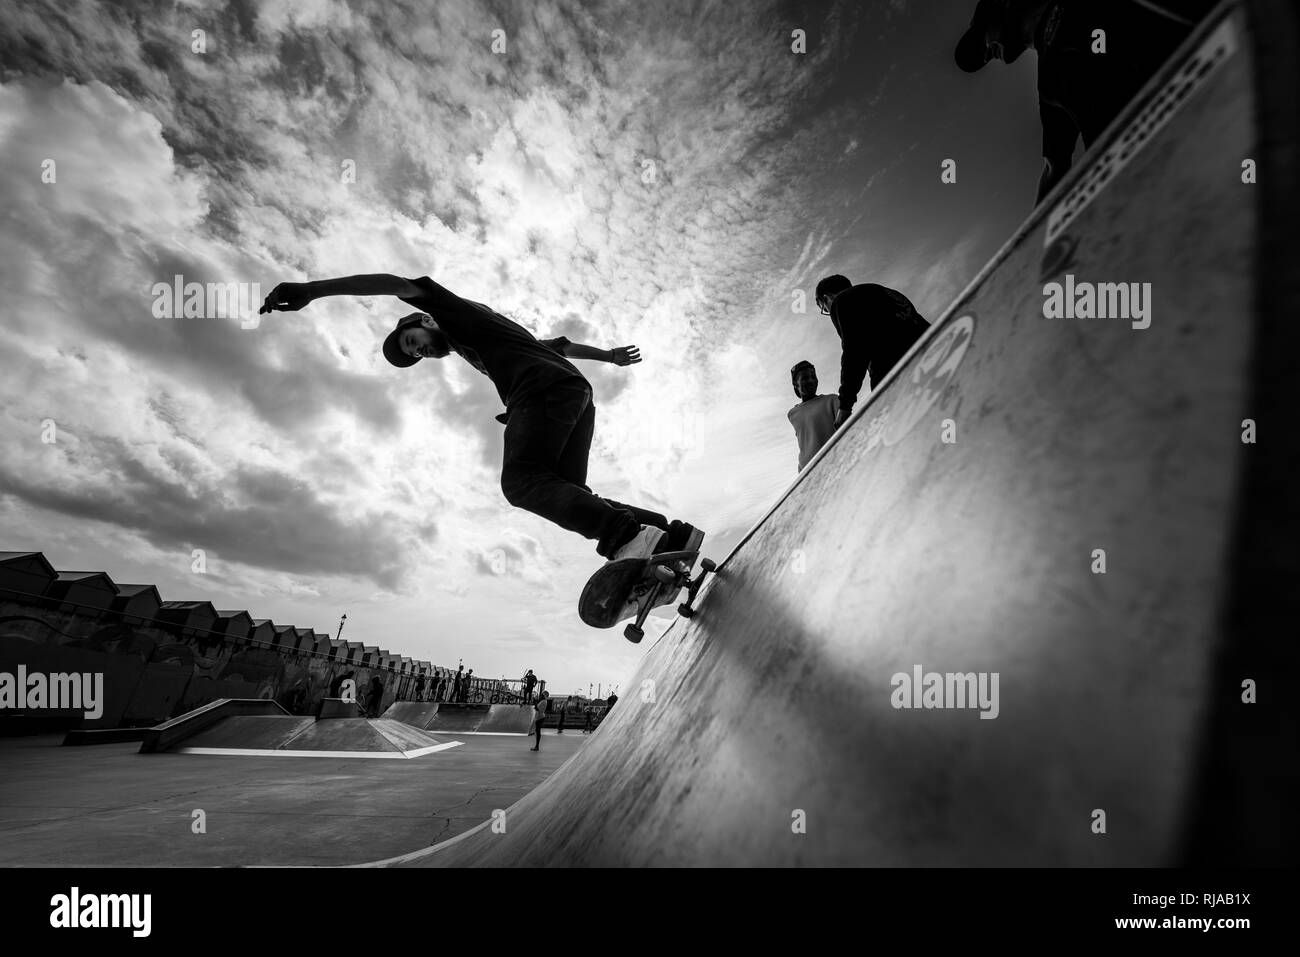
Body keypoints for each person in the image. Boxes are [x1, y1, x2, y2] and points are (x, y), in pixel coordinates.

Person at [259, 273, 703, 565]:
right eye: (415, 353)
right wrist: (606, 356)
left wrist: (312, 291)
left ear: (423, 319)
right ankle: (670, 537)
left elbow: (397, 281)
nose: (421, 350)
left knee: (522, 483)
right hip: (572, 393)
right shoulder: (486, 337)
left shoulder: (454, 315)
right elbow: (560, 347)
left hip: (545, 391)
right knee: (568, 491)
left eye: (414, 339)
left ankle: (629, 539)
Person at [953, 0, 1203, 204]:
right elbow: (1054, 167)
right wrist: (1035, 240)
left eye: (980, 38)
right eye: (982, 57)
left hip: (1199, 94)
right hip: (1151, 176)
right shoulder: (1048, 86)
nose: (986, 55)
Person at [814, 276, 930, 425]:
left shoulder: (841, 301)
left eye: (824, 309)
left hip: (899, 382)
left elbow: (854, 352)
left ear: (826, 298)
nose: (829, 312)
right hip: (933, 358)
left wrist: (845, 406)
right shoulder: (885, 292)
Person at [787, 361, 840, 472]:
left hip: (834, 465)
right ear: (796, 385)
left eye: (813, 377)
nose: (810, 380)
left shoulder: (833, 400)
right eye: (805, 378)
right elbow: (804, 443)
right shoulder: (792, 414)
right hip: (807, 472)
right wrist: (801, 471)